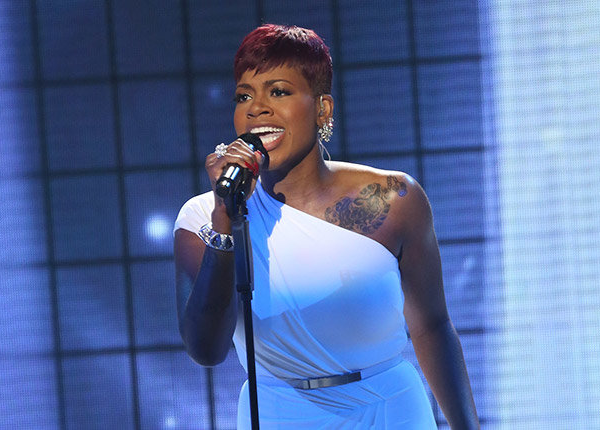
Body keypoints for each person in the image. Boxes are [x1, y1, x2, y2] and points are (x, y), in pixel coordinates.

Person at [174, 24, 480, 429]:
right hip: (278, 414)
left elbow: (432, 327)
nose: (256, 108)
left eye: (278, 91)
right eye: (244, 96)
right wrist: (225, 221)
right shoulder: (202, 218)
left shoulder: (393, 200)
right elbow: (206, 350)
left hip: (389, 410)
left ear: (322, 109)